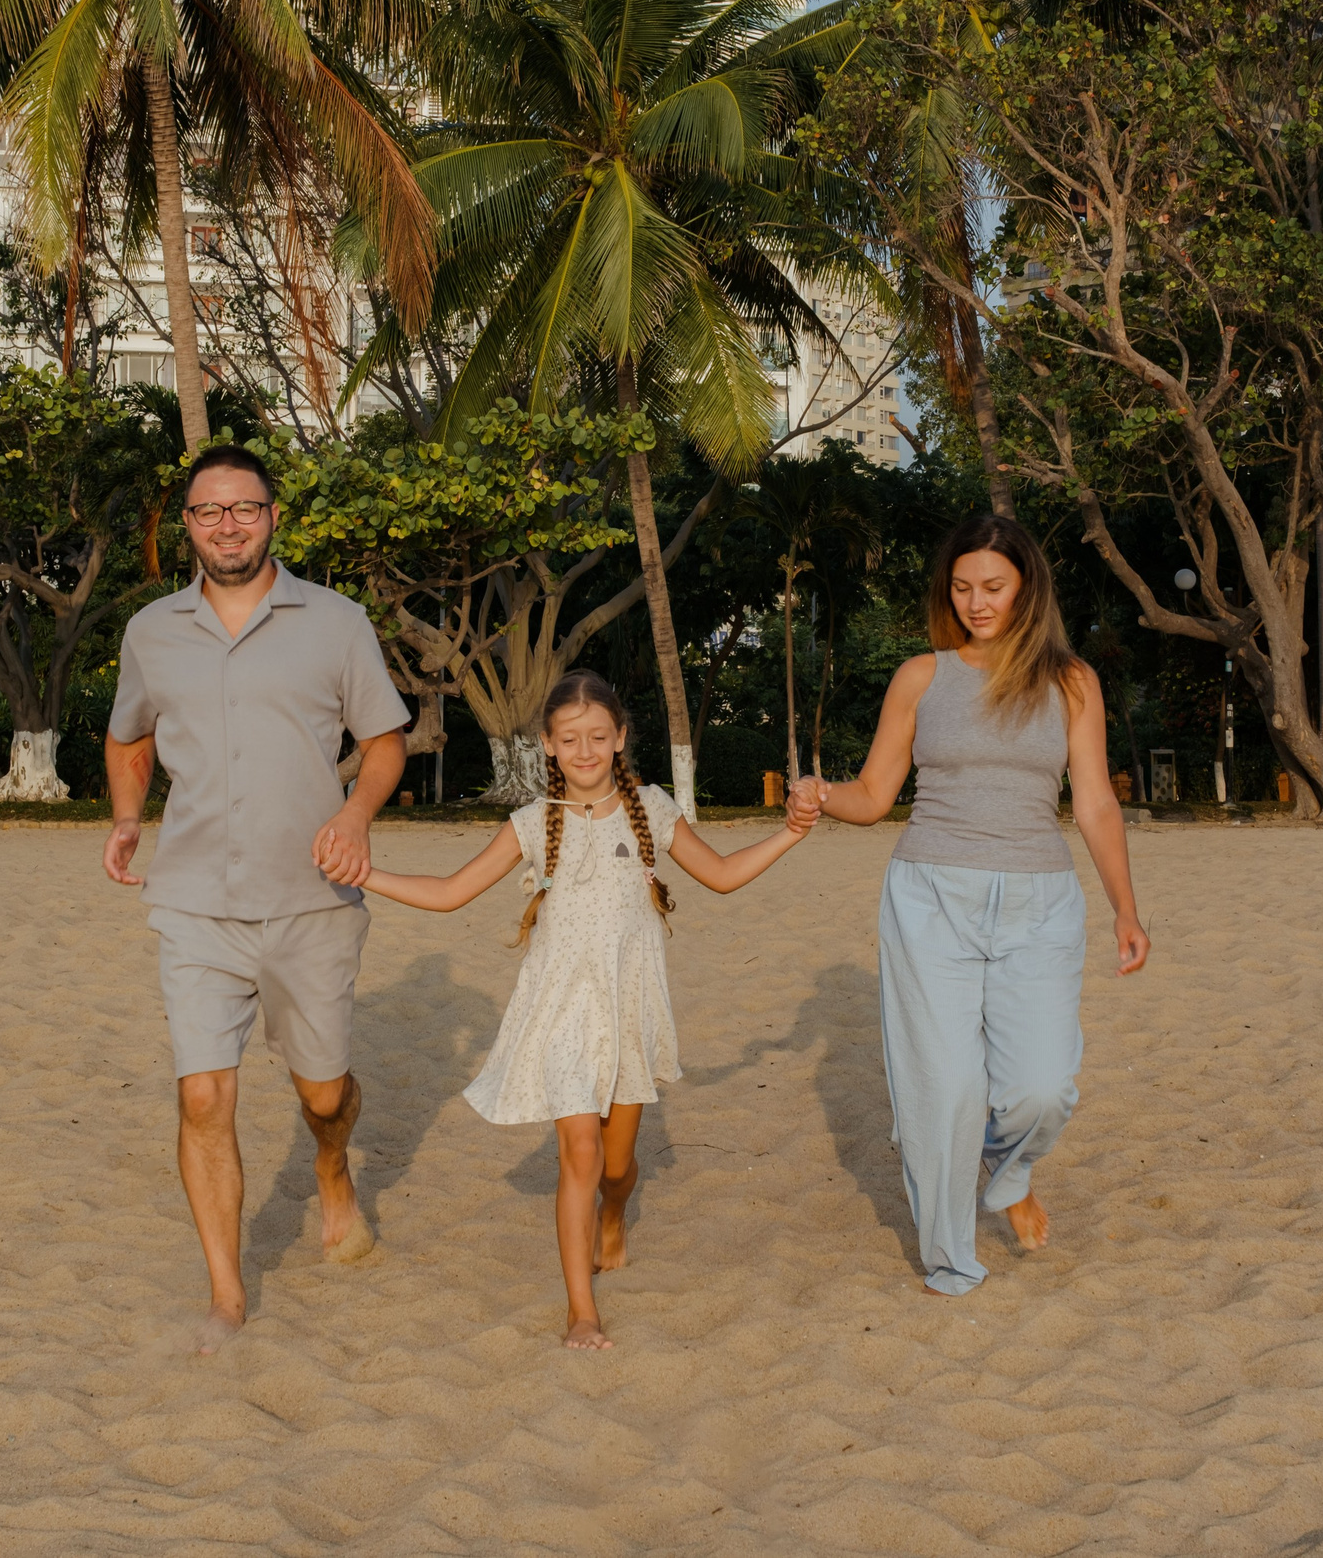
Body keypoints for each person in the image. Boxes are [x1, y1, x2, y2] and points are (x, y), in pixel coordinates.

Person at [347, 671, 821, 1349]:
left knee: (617, 1167)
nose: (585, 750)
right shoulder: (530, 824)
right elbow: (450, 891)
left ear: (620, 737)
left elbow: (720, 875)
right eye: (570, 739)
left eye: (598, 737)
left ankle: (614, 1214)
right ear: (547, 743)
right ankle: (582, 1310)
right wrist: (365, 873)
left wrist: (790, 834)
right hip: (562, 1009)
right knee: (580, 1151)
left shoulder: (650, 808)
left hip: (629, 1009)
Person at [101, 443, 412, 1348]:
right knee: (203, 1096)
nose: (228, 525)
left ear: (274, 516)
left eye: (244, 507)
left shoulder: (337, 622)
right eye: (209, 511)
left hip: (312, 899)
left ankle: (331, 1165)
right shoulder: (151, 631)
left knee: (323, 1095)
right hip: (195, 900)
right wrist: (127, 817)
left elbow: (385, 740)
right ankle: (227, 1296)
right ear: (187, 526)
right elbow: (129, 737)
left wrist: (355, 813)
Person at [801, 512, 1149, 1298]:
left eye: (993, 586)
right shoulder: (921, 677)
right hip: (931, 898)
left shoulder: (1071, 681)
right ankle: (951, 1258)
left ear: (1027, 587)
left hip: (1039, 902)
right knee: (945, 1090)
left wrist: (1126, 909)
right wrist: (820, 793)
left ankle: (1009, 1167)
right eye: (961, 587)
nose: (976, 602)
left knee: (1042, 1087)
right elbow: (874, 795)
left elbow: (1095, 802)